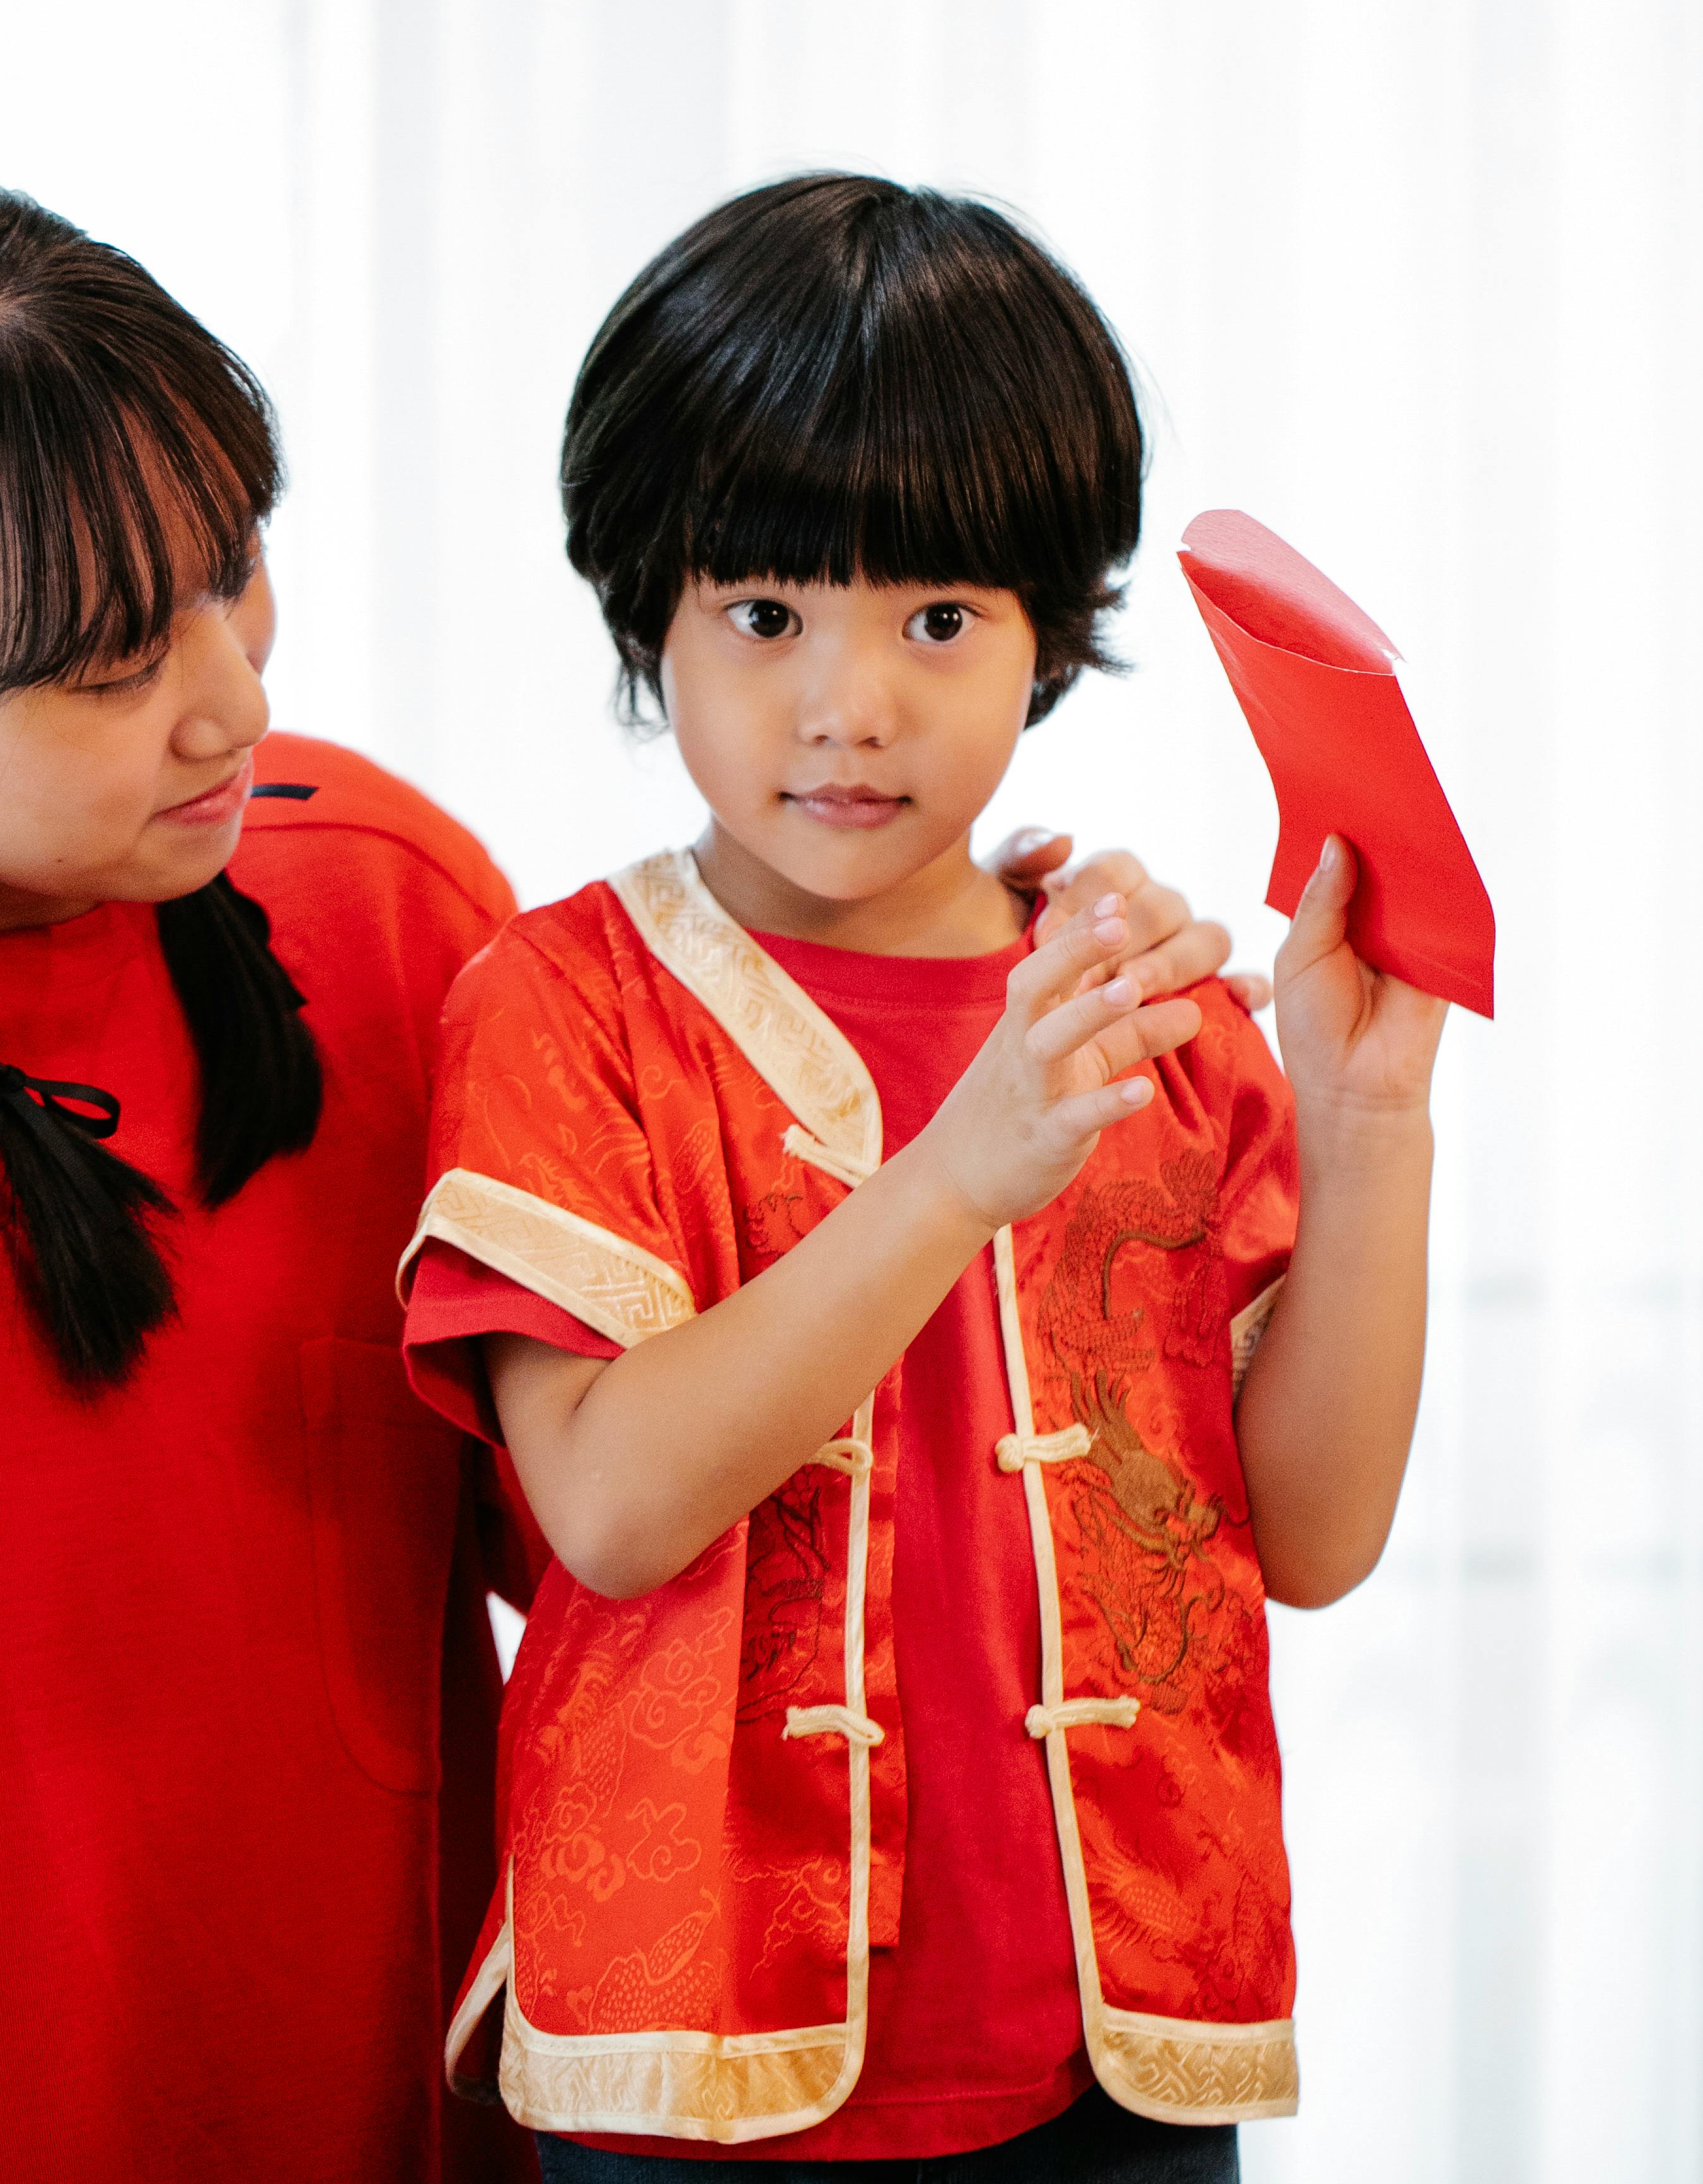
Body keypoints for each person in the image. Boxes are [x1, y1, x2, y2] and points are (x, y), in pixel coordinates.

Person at [0, 178, 1224, 2183]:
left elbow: (642, 1546)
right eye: (104, 663)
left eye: (233, 572)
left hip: (444, 2105)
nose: (231, 700)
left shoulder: (374, 900)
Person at [399, 176, 1448, 2179]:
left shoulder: (1148, 1002)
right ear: (651, 619)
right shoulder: (565, 1004)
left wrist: (1368, 1125)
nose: (846, 705)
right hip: (697, 2066)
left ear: (1052, 635)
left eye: (939, 618)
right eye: (764, 613)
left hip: (1112, 2055)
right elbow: (608, 1509)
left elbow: (1303, 1539)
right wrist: (957, 1172)